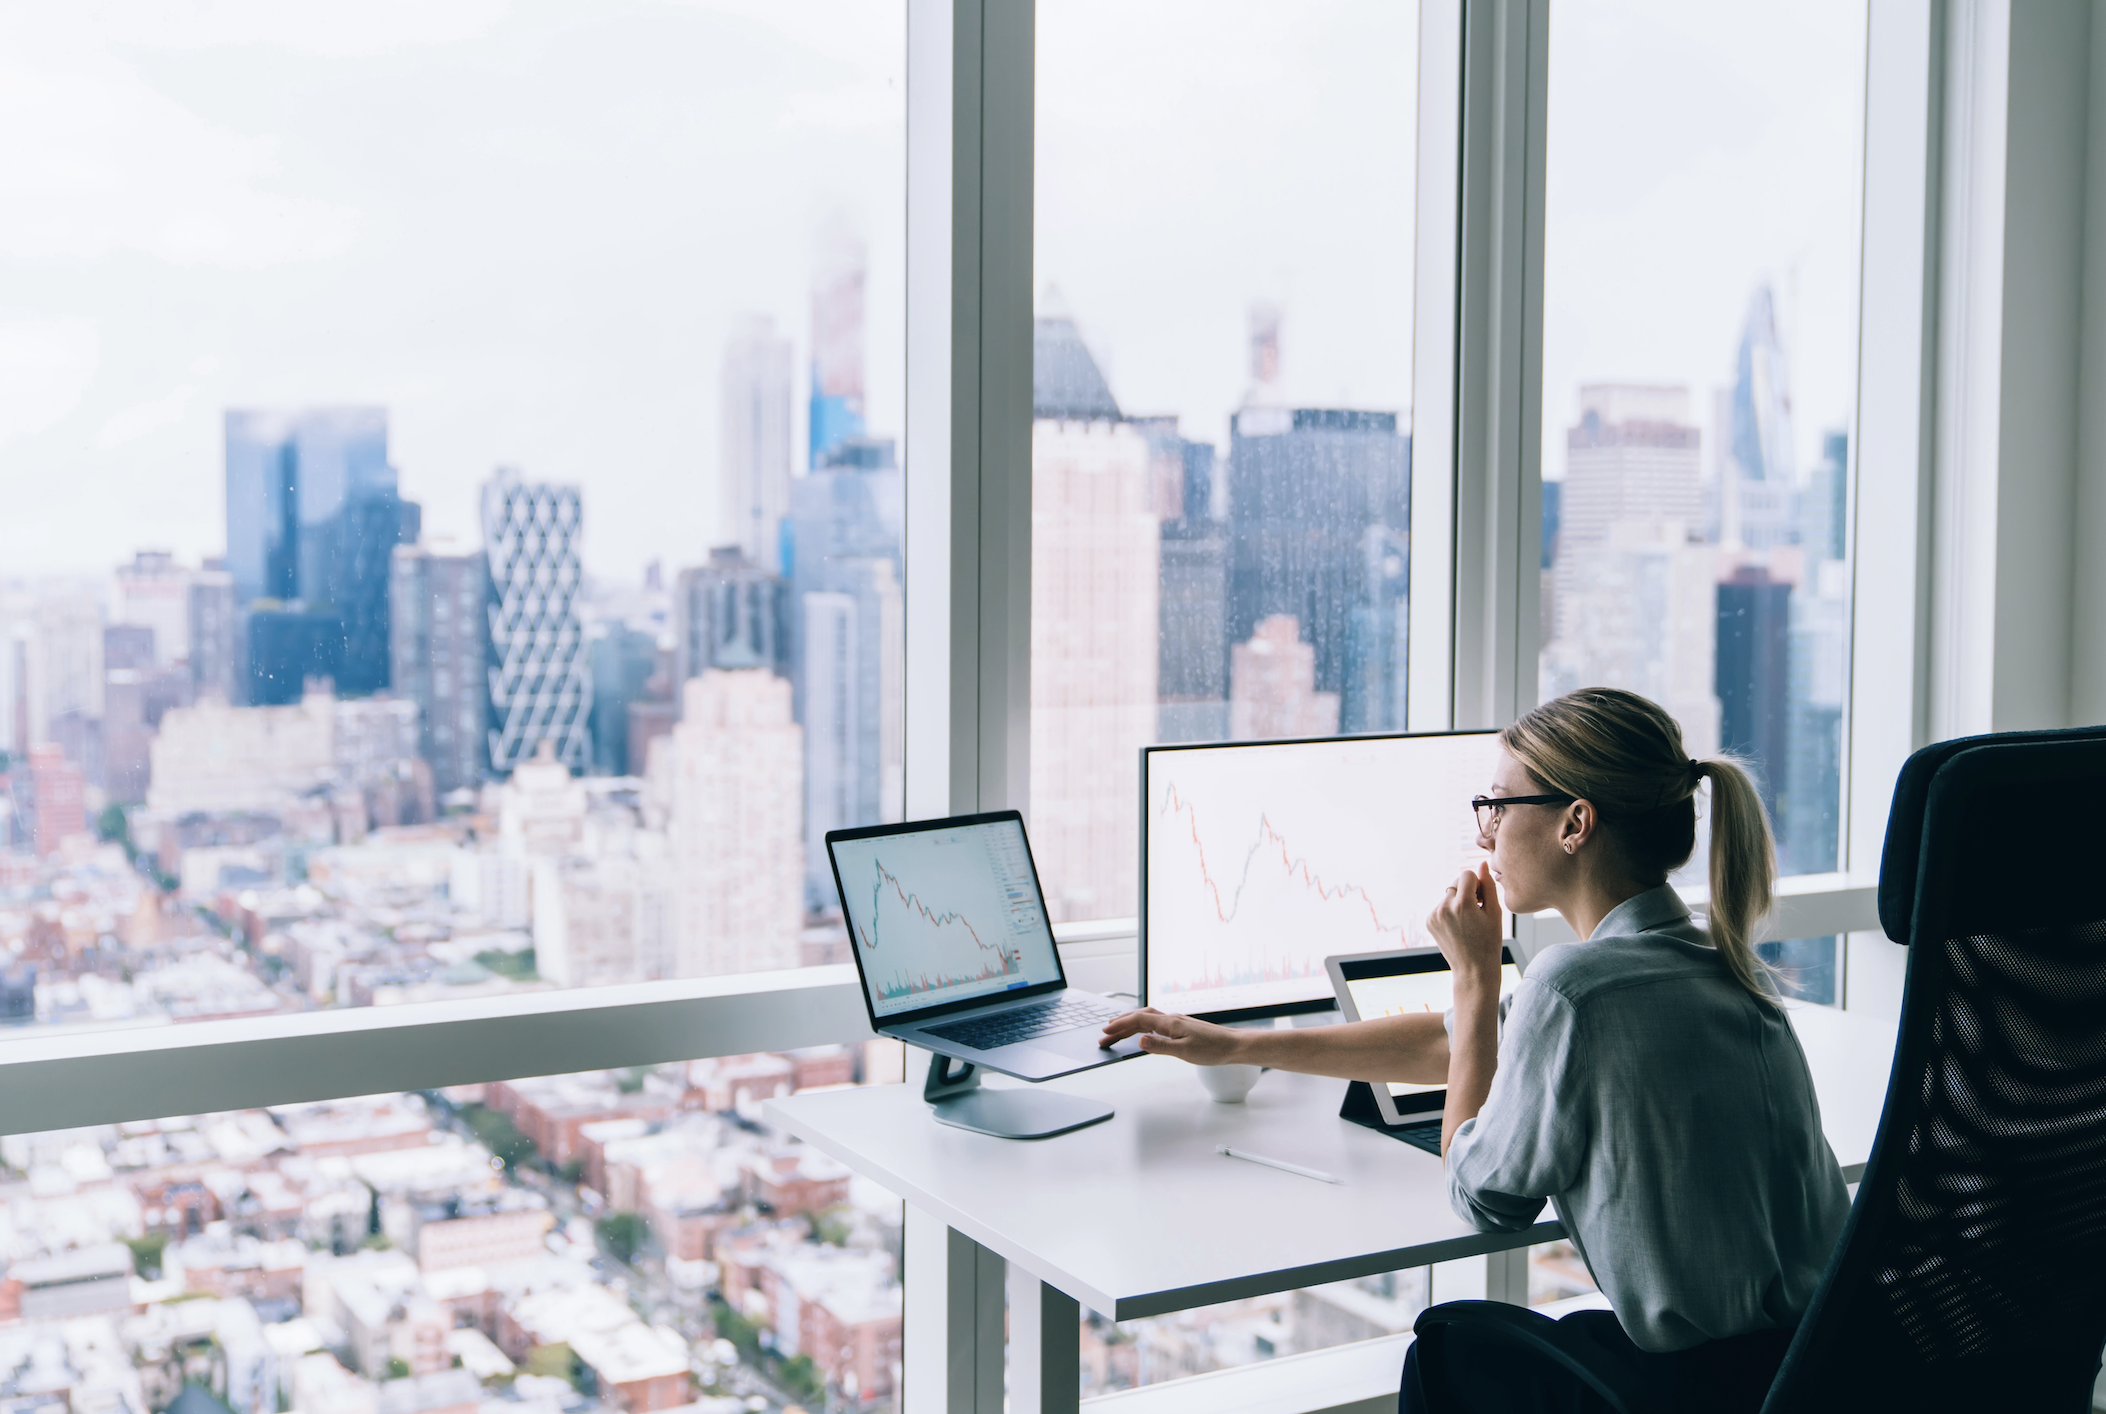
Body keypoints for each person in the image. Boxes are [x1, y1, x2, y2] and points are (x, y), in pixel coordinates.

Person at [1099, 688, 1850, 1413]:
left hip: (1696, 1391)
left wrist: (1473, 976)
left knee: (1444, 1343)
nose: (1484, 831)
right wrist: (1231, 1046)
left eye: (1498, 805)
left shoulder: (1573, 987)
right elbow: (1459, 1044)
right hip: (1815, 1368)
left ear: (1575, 823)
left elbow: (1482, 1199)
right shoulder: (1722, 964)